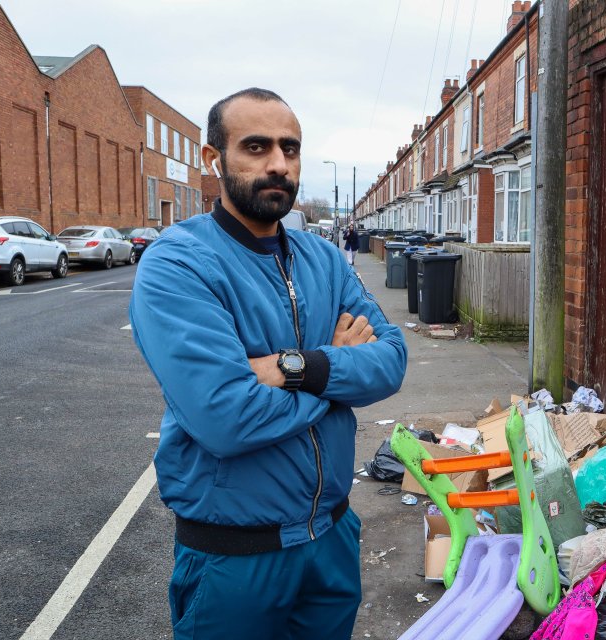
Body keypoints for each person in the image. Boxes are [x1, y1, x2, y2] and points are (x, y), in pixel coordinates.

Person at [129, 87, 407, 639]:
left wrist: (291, 368)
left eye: (290, 148)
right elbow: (226, 417)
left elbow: (392, 359)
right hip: (236, 559)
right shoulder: (179, 263)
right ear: (214, 160)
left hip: (330, 543)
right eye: (256, 147)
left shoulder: (324, 259)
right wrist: (338, 369)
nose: (278, 164)